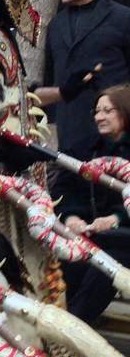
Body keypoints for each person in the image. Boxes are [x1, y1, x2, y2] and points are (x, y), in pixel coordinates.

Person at [36, 0, 130, 159]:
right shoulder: (56, 25)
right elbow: (53, 76)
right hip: (69, 137)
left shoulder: (123, 18)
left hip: (116, 140)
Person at [56, 86, 130, 324]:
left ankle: (71, 329)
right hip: (87, 235)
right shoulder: (84, 148)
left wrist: (115, 219)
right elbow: (63, 189)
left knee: (108, 265)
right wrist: (71, 217)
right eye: (97, 111)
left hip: (124, 240)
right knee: (68, 263)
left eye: (108, 110)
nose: (99, 117)